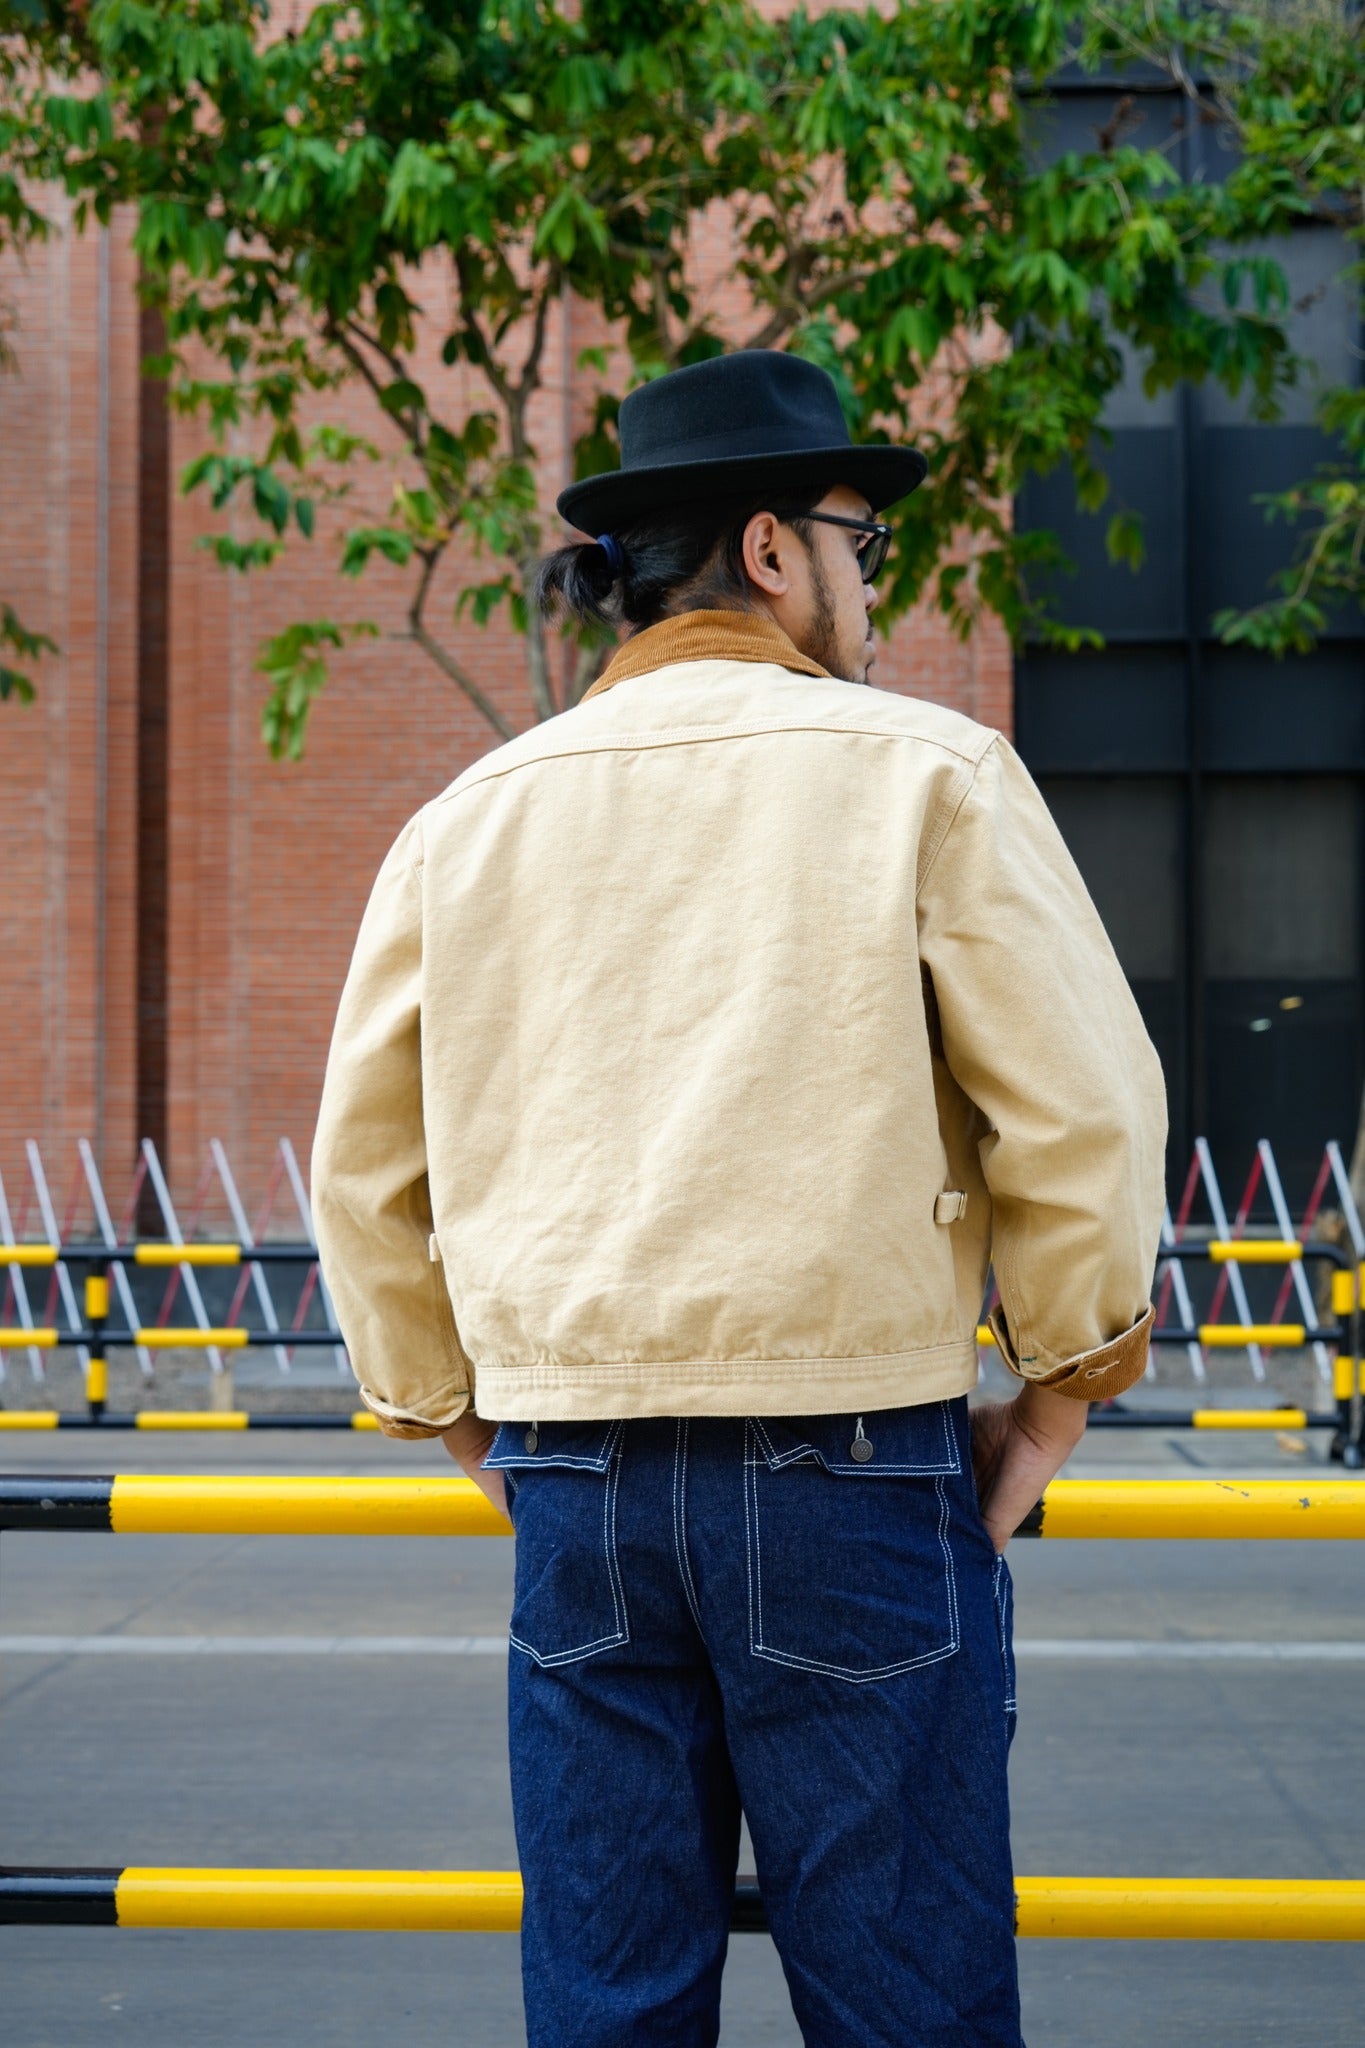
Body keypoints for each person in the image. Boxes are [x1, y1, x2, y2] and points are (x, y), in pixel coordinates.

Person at [312, 348, 1167, 2047]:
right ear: (773, 551)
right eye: (864, 544)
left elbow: (364, 1169)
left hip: (575, 1476)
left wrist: (460, 1419)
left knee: (612, 2000)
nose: (875, 588)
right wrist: (1062, 1391)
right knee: (903, 1998)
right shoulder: (928, 771)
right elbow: (1078, 1114)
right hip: (853, 1454)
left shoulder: (465, 820)